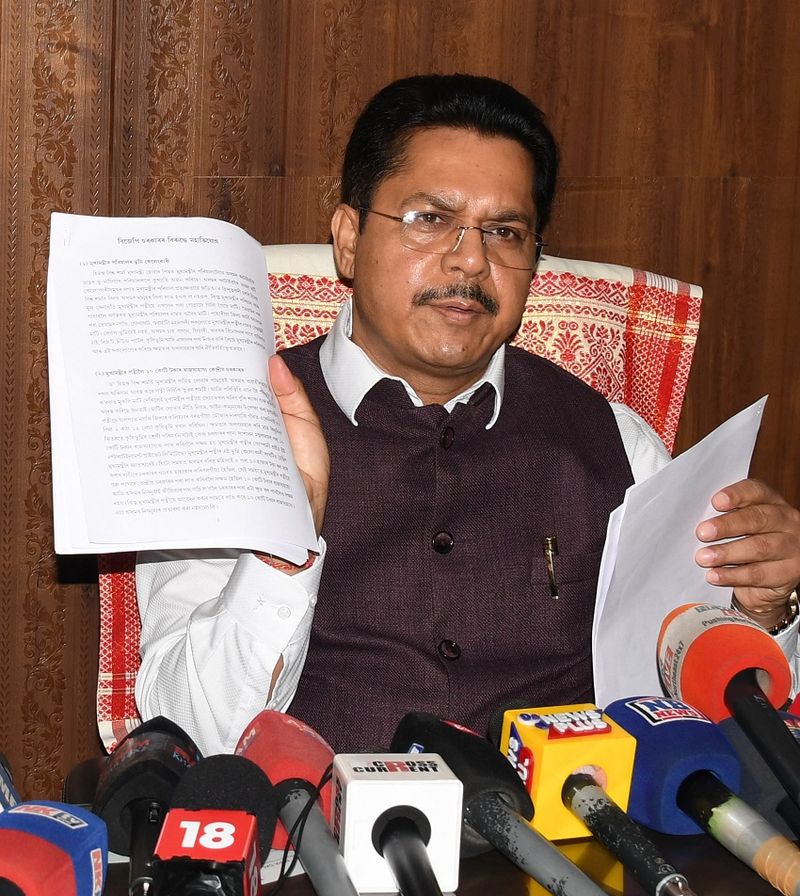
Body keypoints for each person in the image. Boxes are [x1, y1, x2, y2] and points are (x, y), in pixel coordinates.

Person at [135, 74, 800, 756]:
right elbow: (190, 731)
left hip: (571, 818)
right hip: (311, 822)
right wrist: (283, 547)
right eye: (430, 219)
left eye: (505, 232)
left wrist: (762, 610)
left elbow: (691, 709)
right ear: (349, 239)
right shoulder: (233, 435)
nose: (472, 261)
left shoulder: (616, 443)